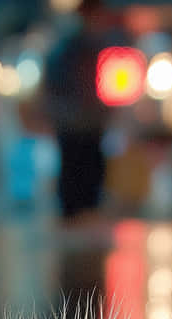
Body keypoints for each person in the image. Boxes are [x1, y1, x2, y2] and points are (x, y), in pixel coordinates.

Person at [42, 0, 111, 221]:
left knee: (88, 172)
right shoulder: (70, 48)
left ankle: (83, 217)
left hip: (87, 123)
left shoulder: (93, 46)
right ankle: (76, 217)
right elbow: (55, 86)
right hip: (74, 123)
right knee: (77, 173)